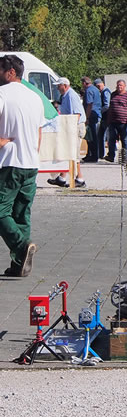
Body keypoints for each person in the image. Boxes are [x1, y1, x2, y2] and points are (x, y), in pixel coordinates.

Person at [0, 55, 44, 277]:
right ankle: (19, 265)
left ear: (10, 72)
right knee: (21, 213)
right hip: (30, 162)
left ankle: (21, 246)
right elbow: (39, 132)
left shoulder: (2, 94)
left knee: (1, 210)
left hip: (9, 161)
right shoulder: (35, 97)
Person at [48, 78, 87, 188]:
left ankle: (80, 179)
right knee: (68, 153)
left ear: (64, 85)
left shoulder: (71, 95)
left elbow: (77, 114)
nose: (57, 88)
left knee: (74, 154)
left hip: (75, 127)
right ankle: (62, 177)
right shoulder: (65, 96)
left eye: (59, 86)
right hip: (69, 126)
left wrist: (71, 130)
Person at [105, 80, 127, 163]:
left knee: (124, 139)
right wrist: (108, 119)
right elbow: (110, 106)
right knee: (111, 139)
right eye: (118, 85)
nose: (119, 87)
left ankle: (124, 157)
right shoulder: (113, 94)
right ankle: (111, 156)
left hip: (123, 121)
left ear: (124, 86)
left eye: (121, 85)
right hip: (113, 121)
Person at [81, 76, 101, 162]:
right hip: (96, 114)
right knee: (93, 136)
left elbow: (89, 104)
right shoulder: (95, 89)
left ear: (84, 83)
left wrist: (87, 117)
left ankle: (93, 155)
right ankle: (92, 154)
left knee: (91, 136)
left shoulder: (88, 91)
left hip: (91, 115)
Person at [94, 78, 111, 162]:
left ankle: (106, 153)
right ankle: (101, 153)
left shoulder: (106, 92)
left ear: (103, 84)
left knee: (106, 135)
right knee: (101, 135)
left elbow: (107, 105)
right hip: (104, 117)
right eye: (97, 86)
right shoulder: (102, 92)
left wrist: (99, 111)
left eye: (99, 86)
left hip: (106, 116)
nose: (98, 88)